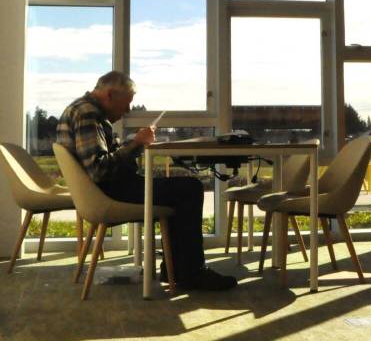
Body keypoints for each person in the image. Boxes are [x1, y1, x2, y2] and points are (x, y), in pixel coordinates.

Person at [55, 71, 236, 291]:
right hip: (108, 192)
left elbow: (97, 163)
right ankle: (191, 272)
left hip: (102, 191)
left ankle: (178, 270)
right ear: (110, 94)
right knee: (190, 188)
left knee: (176, 189)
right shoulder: (88, 114)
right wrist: (134, 145)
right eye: (127, 103)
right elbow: (99, 169)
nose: (128, 111)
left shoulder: (79, 109)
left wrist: (131, 145)